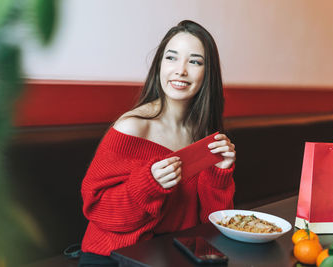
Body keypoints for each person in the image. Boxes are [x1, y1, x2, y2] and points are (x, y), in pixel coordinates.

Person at [78, 20, 236, 267]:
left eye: (194, 61)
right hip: (113, 257)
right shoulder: (133, 126)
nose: (180, 70)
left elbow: (211, 225)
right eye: (171, 58)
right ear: (159, 64)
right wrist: (148, 184)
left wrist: (220, 174)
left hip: (172, 254)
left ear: (208, 73)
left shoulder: (204, 136)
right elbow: (97, 209)